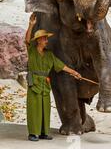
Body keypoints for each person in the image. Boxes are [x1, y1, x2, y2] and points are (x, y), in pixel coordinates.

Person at [25, 13, 81, 142]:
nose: (46, 41)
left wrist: (74, 73)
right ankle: (33, 133)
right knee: (34, 108)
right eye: (45, 39)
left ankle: (44, 132)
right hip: (34, 83)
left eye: (46, 39)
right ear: (39, 40)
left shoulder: (49, 55)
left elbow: (62, 66)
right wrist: (31, 25)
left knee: (45, 108)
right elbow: (27, 40)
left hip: (45, 83)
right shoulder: (32, 51)